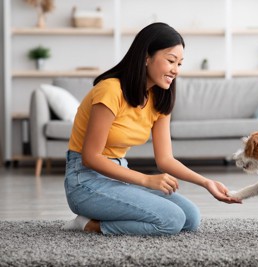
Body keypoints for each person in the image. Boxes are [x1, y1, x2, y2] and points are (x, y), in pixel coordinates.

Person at [62, 22, 240, 236]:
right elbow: (90, 157)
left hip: (120, 175)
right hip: (85, 180)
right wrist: (147, 179)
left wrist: (206, 182)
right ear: (147, 57)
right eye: (171, 61)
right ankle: (88, 224)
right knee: (171, 220)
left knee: (190, 217)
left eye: (180, 63)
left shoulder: (160, 97)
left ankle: (110, 212)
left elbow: (165, 160)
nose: (176, 70)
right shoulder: (110, 90)